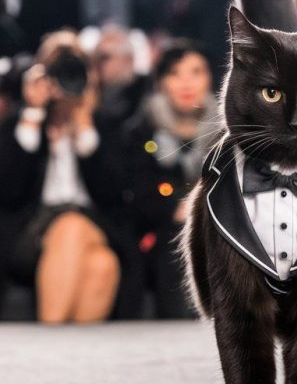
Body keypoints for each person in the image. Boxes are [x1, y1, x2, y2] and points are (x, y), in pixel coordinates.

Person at [0, 30, 132, 324]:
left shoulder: (106, 125)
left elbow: (113, 194)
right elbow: (8, 191)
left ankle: (53, 359)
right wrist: (33, 115)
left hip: (95, 223)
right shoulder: (19, 125)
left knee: (91, 248)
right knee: (92, 253)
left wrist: (84, 126)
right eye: (56, 67)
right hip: (33, 232)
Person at [123, 40, 219, 318]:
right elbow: (135, 194)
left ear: (211, 77)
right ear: (160, 81)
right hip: (159, 236)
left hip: (218, 228)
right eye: (175, 73)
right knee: (173, 245)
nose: (186, 83)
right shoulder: (140, 129)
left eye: (196, 71)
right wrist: (174, 209)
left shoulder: (229, 129)